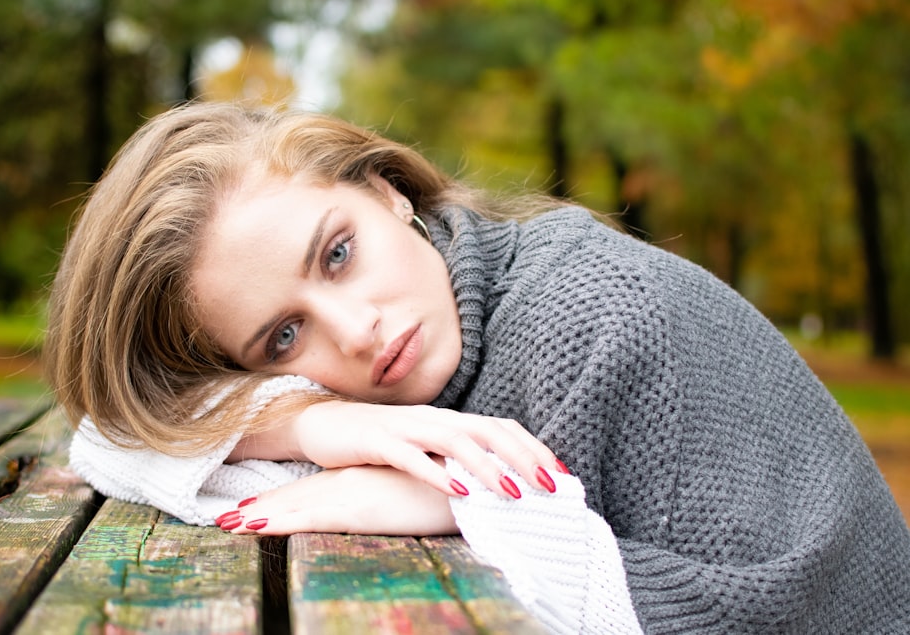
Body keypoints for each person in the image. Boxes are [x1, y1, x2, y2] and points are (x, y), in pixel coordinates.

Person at [45, 101, 910, 633]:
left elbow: (756, 613)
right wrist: (313, 421)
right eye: (281, 337)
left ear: (388, 190)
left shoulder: (586, 319)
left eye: (338, 253)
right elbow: (111, 433)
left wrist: (472, 507)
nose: (353, 332)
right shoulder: (386, 385)